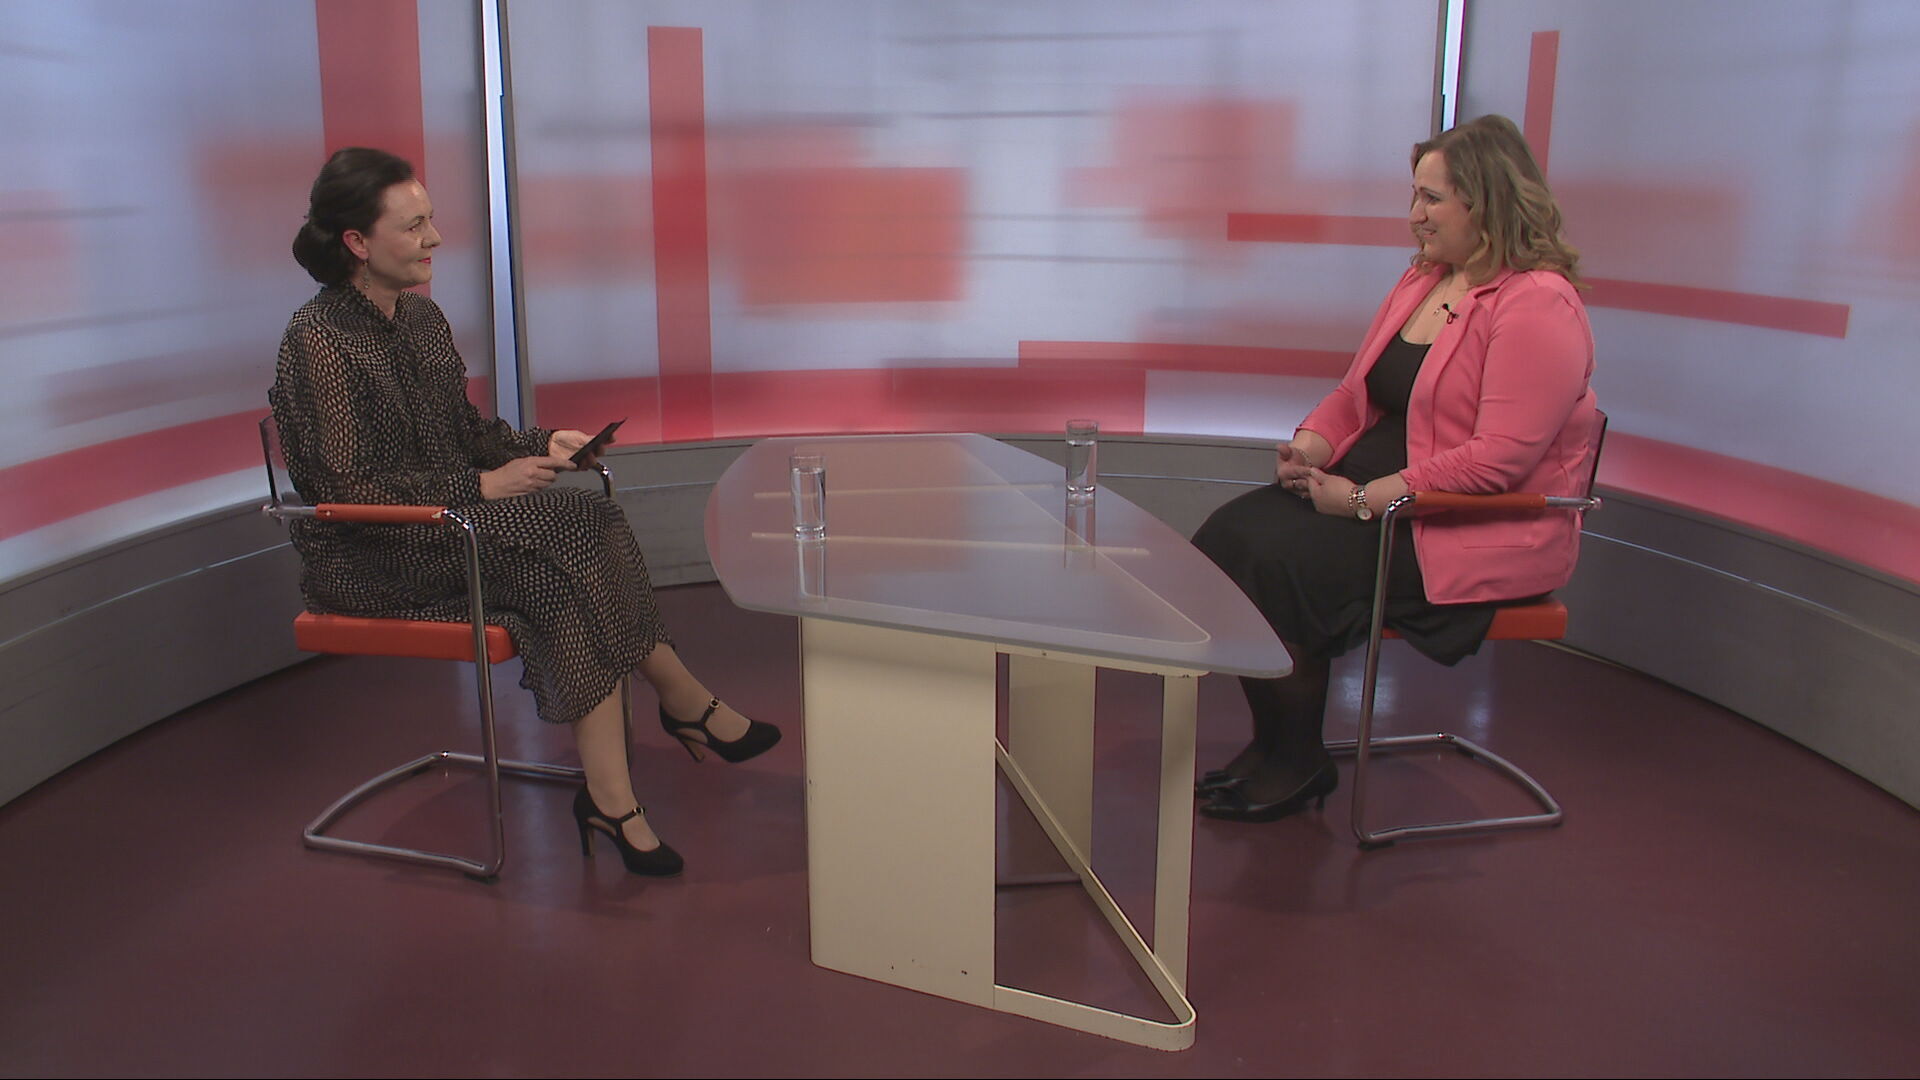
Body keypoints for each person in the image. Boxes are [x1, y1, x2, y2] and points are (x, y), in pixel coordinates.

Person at [271, 147, 779, 875]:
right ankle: (683, 701)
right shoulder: (316, 340)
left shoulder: (420, 319)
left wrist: (546, 444)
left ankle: (612, 800)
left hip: (448, 530)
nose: (434, 238)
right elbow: (346, 491)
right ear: (356, 242)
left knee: (569, 561)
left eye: (430, 220)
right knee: (572, 528)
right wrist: (481, 487)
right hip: (373, 555)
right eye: (413, 227)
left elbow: (467, 434)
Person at [1192, 115, 1600, 822]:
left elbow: (1500, 457)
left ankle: (1296, 761)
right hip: (1377, 494)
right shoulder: (1424, 280)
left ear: (1486, 201)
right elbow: (1357, 394)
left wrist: (1363, 499)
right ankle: (1281, 743)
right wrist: (1311, 448)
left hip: (1462, 523)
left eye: (1431, 198)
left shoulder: (1538, 302)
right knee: (1230, 539)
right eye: (1415, 195)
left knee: (1282, 563)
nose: (1415, 215)